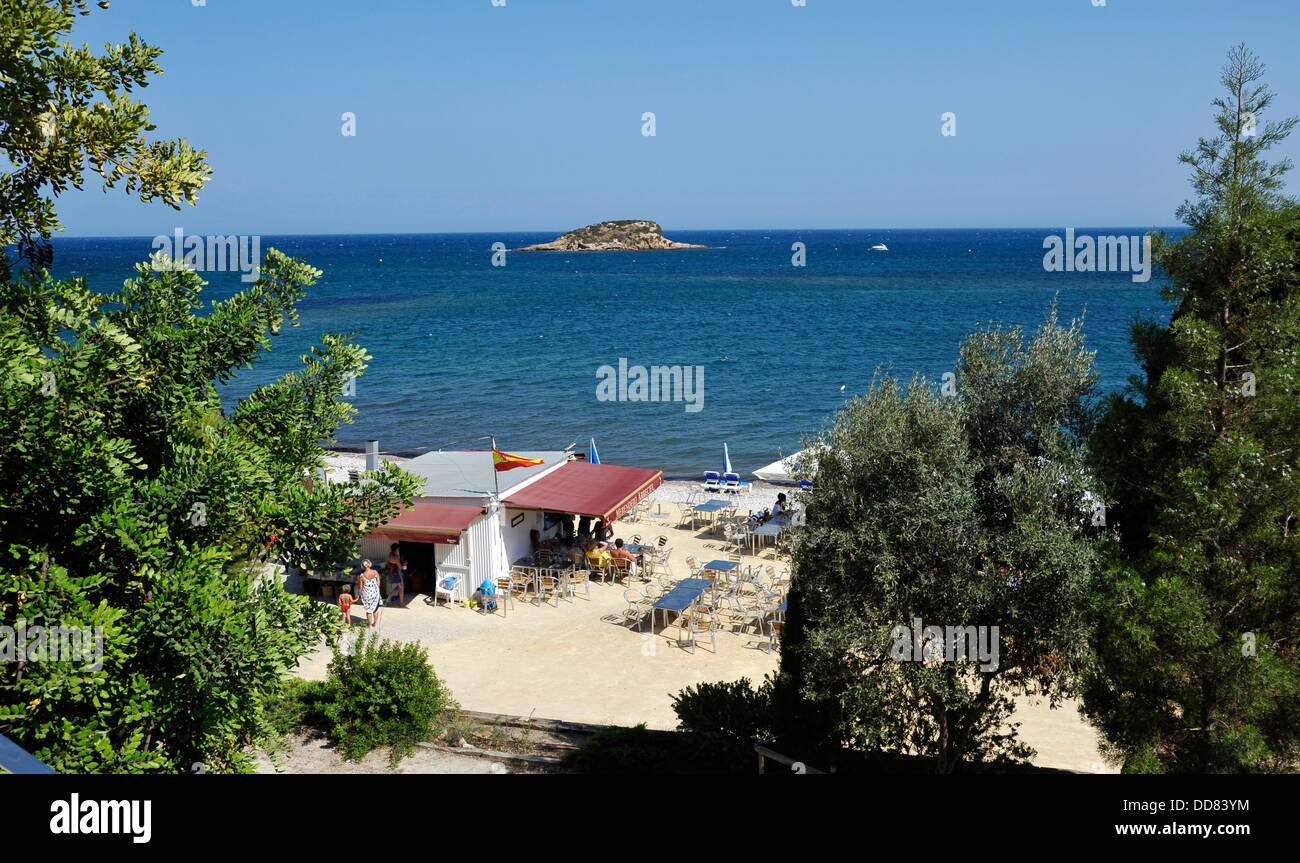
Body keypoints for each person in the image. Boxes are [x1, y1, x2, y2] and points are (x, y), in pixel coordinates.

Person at [357, 558, 382, 628]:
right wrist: (376, 590)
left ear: (363, 566)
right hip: (375, 593)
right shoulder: (375, 572)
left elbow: (360, 587)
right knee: (375, 609)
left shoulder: (362, 576)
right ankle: (375, 623)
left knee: (369, 610)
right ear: (369, 564)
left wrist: (358, 595)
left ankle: (369, 625)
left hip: (367, 594)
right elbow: (378, 583)